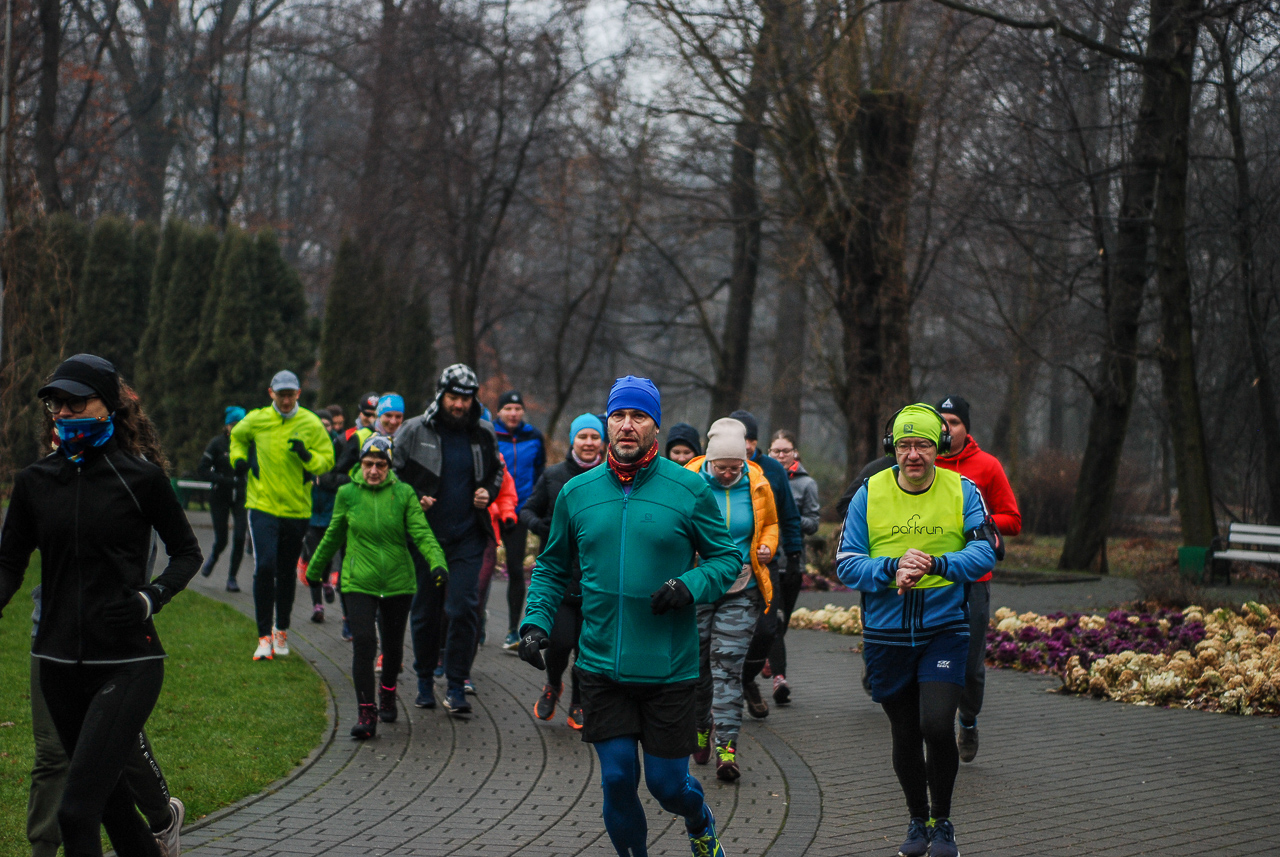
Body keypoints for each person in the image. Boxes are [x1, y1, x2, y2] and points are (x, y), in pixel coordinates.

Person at [518, 376, 741, 857]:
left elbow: (727, 560)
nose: (626, 425)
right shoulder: (576, 493)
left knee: (667, 787)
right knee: (617, 779)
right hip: (601, 666)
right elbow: (553, 567)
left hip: (669, 668)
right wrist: (535, 622)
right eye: (618, 416)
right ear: (606, 422)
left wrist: (689, 585)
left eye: (638, 416)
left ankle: (699, 819)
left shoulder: (689, 490)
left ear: (654, 427)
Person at [0, 354, 201, 857]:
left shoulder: (142, 481)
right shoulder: (34, 484)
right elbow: (8, 566)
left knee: (75, 812)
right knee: (111, 809)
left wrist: (151, 596)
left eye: (75, 403)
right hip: (58, 664)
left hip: (128, 663)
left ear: (107, 406)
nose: (63, 414)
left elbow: (187, 552)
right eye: (56, 406)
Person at [836, 404, 997, 857]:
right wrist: (891, 569)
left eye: (923, 444)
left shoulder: (962, 490)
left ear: (939, 447)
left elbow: (986, 552)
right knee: (905, 733)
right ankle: (917, 820)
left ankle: (943, 822)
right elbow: (846, 563)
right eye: (904, 445)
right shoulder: (869, 493)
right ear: (893, 448)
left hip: (944, 629)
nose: (913, 455)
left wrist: (938, 563)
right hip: (887, 634)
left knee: (936, 725)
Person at [307, 435, 448, 738]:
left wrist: (438, 563)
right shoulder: (347, 493)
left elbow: (421, 533)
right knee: (364, 643)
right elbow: (333, 534)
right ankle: (366, 712)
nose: (374, 471)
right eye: (368, 464)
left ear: (389, 466)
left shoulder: (404, 493)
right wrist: (315, 569)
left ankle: (387, 691)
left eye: (380, 465)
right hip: (359, 580)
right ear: (360, 464)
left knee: (394, 646)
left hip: (398, 582)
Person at [27, 584, 181, 857]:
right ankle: (43, 850)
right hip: (52, 639)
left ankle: (162, 819)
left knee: (119, 750)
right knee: (54, 755)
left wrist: (142, 601)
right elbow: (10, 558)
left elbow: (173, 555)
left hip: (116, 645)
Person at [393, 364, 504, 715]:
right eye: (453, 397)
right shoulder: (414, 430)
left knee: (463, 608)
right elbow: (391, 474)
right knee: (425, 612)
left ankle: (456, 684)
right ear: (441, 395)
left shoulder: (484, 432)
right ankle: (424, 680)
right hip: (426, 538)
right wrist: (413, 497)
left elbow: (496, 470)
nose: (459, 405)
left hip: (468, 537)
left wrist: (488, 490)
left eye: (466, 399)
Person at [682, 418, 777, 782]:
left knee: (727, 668)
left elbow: (769, 522)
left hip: (741, 587)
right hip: (699, 586)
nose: (726, 474)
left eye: (733, 468)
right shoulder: (688, 482)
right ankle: (700, 725)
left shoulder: (758, 482)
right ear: (709, 461)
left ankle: (727, 747)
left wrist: (769, 544)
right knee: (698, 668)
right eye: (721, 467)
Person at [935, 395, 1021, 763]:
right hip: (931, 576)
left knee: (969, 662)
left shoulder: (986, 466)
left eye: (953, 422)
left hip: (974, 577)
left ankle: (967, 719)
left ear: (966, 427)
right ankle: (932, 721)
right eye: (941, 421)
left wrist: (976, 523)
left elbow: (1013, 519)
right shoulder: (921, 462)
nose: (946, 428)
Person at [230, 370, 336, 660]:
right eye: (281, 394)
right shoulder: (257, 418)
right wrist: (239, 460)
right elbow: (237, 437)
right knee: (265, 566)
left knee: (286, 571)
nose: (286, 400)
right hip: (262, 504)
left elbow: (327, 460)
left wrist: (306, 456)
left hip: (297, 508)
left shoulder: (311, 424)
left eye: (291, 395)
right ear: (271, 393)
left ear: (299, 394)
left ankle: (281, 629)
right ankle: (263, 636)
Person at [518, 412, 605, 730]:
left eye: (594, 437)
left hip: (596, 581)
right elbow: (526, 508)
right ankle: (553, 684)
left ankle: (578, 703)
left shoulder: (610, 479)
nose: (588, 442)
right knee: (560, 642)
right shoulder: (554, 476)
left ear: (602, 442)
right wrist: (542, 526)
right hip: (561, 578)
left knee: (586, 649)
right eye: (582, 436)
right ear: (573, 440)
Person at [727, 410, 802, 720]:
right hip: (726, 567)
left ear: (755, 442)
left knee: (767, 631)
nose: (740, 447)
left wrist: (794, 556)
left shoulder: (771, 470)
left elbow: (786, 516)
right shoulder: (716, 467)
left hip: (765, 564)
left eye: (746, 440)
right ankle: (733, 690)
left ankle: (745, 680)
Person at [765, 429, 821, 704]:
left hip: (794, 561)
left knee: (782, 622)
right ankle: (779, 678)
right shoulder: (761, 477)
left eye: (785, 451)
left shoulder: (806, 483)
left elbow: (813, 523)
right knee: (773, 620)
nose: (780, 456)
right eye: (775, 451)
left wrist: (791, 517)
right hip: (768, 561)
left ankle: (768, 655)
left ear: (795, 453)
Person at [492, 390, 546, 651]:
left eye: (517, 408)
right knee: (483, 565)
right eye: (508, 408)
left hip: (520, 508)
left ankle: (513, 629)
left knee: (515, 568)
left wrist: (533, 504)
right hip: (491, 508)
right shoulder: (488, 434)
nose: (513, 413)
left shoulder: (533, 436)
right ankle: (476, 620)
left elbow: (540, 472)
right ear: (499, 412)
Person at [301, 409, 347, 624]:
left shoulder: (338, 447)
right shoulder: (305, 446)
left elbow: (345, 476)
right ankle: (317, 605)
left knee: (328, 554)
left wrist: (327, 480)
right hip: (309, 511)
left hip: (331, 509)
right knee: (313, 556)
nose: (323, 429)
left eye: (327, 425)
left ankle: (328, 582)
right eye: (319, 424)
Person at [197, 406, 249, 592]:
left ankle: (232, 578)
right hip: (220, 495)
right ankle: (214, 556)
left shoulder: (247, 444)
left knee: (240, 536)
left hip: (241, 496)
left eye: (240, 424)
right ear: (227, 426)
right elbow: (202, 469)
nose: (236, 428)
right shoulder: (217, 444)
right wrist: (221, 479)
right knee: (223, 539)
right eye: (233, 425)